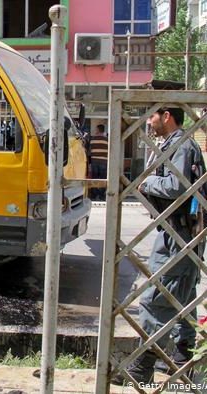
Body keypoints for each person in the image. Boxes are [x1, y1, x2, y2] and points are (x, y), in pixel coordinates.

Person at [112, 107, 204, 385]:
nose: (148, 122)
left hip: (180, 234)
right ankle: (183, 360)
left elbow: (178, 185)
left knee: (157, 298)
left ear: (167, 116)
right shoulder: (177, 144)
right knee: (183, 298)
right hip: (178, 233)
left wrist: (146, 182)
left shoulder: (182, 144)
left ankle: (142, 366)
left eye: (152, 116)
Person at [88, 124, 108, 201]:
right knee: (103, 179)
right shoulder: (107, 140)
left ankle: (94, 195)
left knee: (95, 178)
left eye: (96, 129)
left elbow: (89, 152)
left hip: (94, 161)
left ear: (98, 130)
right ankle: (102, 195)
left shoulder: (93, 139)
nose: (95, 131)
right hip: (104, 161)